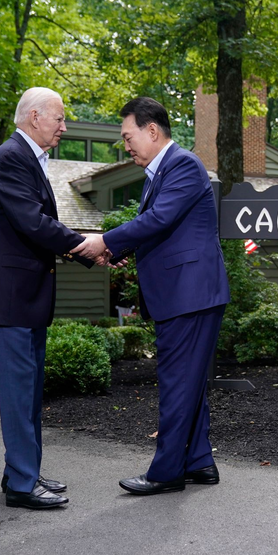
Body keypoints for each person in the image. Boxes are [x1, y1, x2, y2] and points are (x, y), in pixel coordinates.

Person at [71, 97, 230, 495]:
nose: (125, 145)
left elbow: (158, 219)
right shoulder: (159, 173)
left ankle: (166, 472)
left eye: (128, 137)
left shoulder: (183, 165)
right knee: (189, 381)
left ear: (152, 131)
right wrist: (119, 250)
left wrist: (105, 241)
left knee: (177, 383)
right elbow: (157, 227)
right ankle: (199, 461)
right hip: (186, 294)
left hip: (189, 294)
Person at [0, 87, 94, 509]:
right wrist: (86, 247)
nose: (64, 127)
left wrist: (85, 250)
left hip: (26, 300)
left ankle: (21, 472)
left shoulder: (27, 159)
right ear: (35, 117)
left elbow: (34, 227)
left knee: (29, 392)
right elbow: (33, 223)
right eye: (59, 118)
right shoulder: (9, 158)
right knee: (19, 395)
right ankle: (23, 485)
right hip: (8, 301)